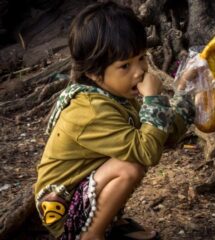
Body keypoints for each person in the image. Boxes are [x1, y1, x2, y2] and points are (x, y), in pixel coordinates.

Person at [34, 1, 195, 240]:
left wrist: (183, 93)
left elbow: (162, 135)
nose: (139, 71)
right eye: (125, 66)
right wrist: (153, 100)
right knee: (129, 166)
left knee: (129, 160)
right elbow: (148, 151)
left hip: (84, 191)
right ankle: (90, 235)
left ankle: (108, 222)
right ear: (93, 73)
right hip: (61, 209)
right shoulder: (90, 111)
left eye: (141, 58)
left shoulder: (114, 95)